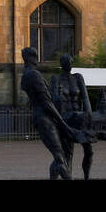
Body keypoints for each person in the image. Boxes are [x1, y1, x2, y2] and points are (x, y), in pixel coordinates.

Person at [20, 47, 73, 180]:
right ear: (33, 59)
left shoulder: (25, 76)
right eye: (36, 57)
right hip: (45, 118)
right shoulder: (34, 75)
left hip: (40, 117)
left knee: (58, 155)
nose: (37, 60)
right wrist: (62, 123)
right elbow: (46, 103)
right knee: (60, 157)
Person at [51, 54, 95, 180]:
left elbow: (85, 98)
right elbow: (54, 98)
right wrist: (57, 98)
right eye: (67, 62)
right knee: (67, 153)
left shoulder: (78, 77)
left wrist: (89, 115)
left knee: (89, 150)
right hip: (65, 118)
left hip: (79, 117)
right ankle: (65, 176)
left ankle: (86, 176)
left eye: (71, 62)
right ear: (62, 64)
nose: (69, 64)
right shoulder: (56, 79)